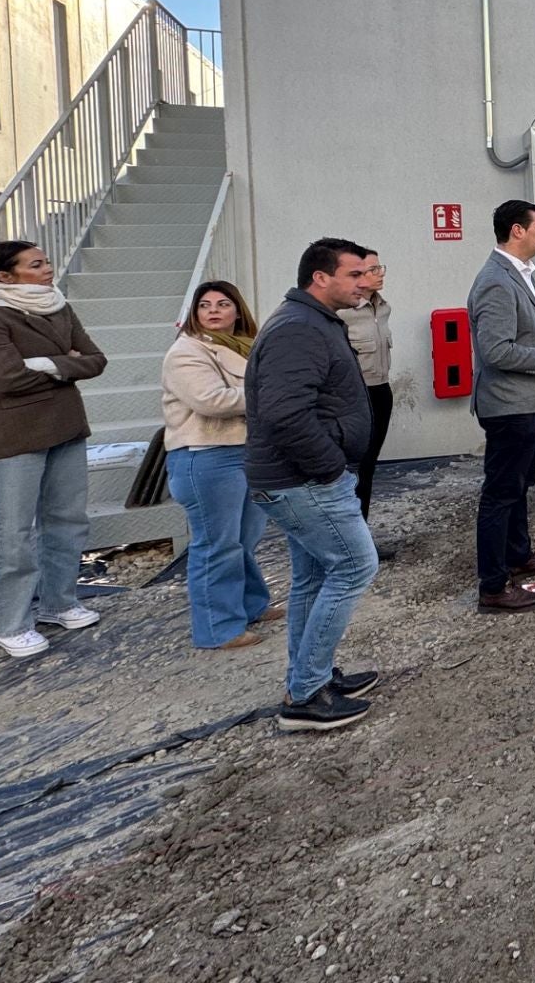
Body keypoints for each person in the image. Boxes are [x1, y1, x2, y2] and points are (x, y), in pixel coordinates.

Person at [245, 239, 381, 732]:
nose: (366, 282)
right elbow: (283, 413)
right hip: (305, 480)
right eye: (356, 275)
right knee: (353, 565)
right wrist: (329, 465)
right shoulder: (298, 329)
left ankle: (311, 677)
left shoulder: (313, 321)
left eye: (367, 273)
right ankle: (305, 696)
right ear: (320, 279)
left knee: (313, 578)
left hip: (305, 479)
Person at [0, 240, 109, 658]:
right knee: (13, 535)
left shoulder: (57, 305)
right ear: (5, 276)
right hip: (13, 436)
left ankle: (59, 603)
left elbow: (95, 360)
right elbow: (6, 378)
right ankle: (11, 624)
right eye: (36, 264)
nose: (48, 269)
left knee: (67, 521)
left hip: (66, 427)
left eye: (45, 262)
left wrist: (43, 363)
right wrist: (63, 361)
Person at [160, 281, 283, 650]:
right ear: (195, 314)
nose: (213, 310)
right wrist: (274, 395)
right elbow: (211, 400)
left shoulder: (247, 347)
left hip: (245, 451)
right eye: (205, 305)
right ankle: (218, 628)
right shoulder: (186, 352)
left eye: (223, 304)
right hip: (207, 456)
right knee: (216, 545)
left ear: (237, 311)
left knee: (244, 539)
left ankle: (251, 604)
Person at [466, 200, 535, 613]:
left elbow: (530, 332)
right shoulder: (496, 280)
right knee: (500, 493)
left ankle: (519, 555)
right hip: (511, 408)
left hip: (530, 404)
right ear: (517, 230)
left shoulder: (519, 275)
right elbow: (496, 350)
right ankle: (493, 586)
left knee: (518, 487)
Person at [342, 250, 398, 560]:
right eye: (373, 268)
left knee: (368, 468)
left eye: (380, 266)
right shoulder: (342, 314)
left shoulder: (381, 307)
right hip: (354, 398)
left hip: (380, 391)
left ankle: (360, 540)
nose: (381, 273)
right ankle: (349, 546)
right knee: (353, 471)